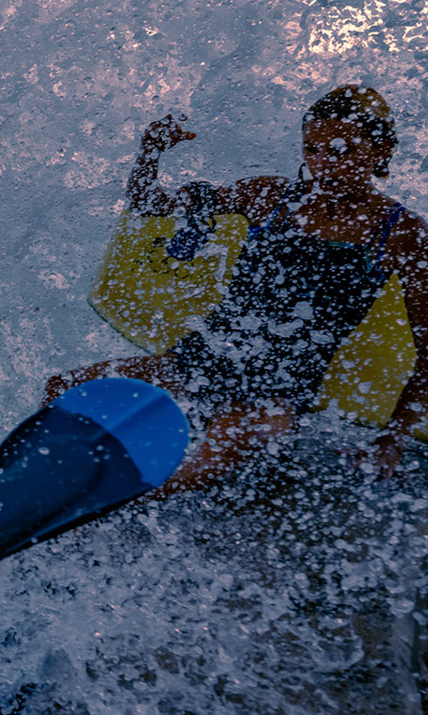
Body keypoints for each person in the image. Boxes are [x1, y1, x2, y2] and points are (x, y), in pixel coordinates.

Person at [45, 86, 428, 491]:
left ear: (381, 150)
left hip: (273, 396)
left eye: (341, 151)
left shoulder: (401, 234)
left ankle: (86, 497)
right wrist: (150, 153)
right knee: (61, 389)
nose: (324, 164)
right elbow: (150, 206)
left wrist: (391, 441)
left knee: (194, 470)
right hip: (195, 364)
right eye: (312, 150)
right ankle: (45, 484)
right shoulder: (270, 196)